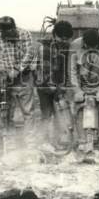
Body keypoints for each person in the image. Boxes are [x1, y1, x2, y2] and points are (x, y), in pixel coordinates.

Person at [0, 16, 39, 131]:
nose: (8, 35)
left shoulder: (24, 34)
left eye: (10, 32)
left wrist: (18, 69)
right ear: (0, 31)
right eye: (5, 33)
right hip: (5, 80)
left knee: (28, 112)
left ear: (14, 28)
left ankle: (31, 144)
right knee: (6, 111)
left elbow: (29, 54)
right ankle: (9, 141)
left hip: (24, 78)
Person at [68, 26, 99, 152]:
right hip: (82, 81)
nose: (91, 50)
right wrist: (77, 90)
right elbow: (72, 70)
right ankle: (82, 140)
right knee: (79, 107)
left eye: (94, 48)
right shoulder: (75, 45)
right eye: (89, 47)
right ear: (84, 43)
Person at [37, 20, 75, 149]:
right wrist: (56, 88)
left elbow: (67, 68)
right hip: (45, 85)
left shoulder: (67, 47)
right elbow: (45, 72)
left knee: (61, 113)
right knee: (47, 114)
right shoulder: (45, 48)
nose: (64, 41)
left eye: (67, 39)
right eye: (61, 38)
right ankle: (44, 142)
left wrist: (64, 86)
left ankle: (60, 139)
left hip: (59, 85)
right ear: (54, 35)